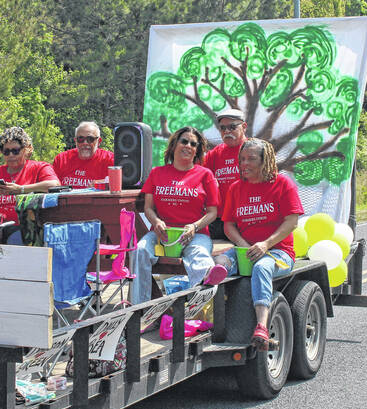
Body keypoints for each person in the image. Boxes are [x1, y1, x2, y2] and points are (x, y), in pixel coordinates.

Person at [215, 138, 304, 350]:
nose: (244, 163)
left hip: (278, 254)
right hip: (246, 250)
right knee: (218, 264)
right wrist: (243, 245)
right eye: (242, 159)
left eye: (251, 159)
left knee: (262, 268)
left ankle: (261, 327)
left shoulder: (283, 184)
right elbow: (228, 226)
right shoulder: (236, 188)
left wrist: (265, 244)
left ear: (266, 161)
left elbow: (291, 222)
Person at [130, 126, 228, 305]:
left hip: (195, 234)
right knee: (140, 250)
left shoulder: (205, 175)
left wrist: (194, 226)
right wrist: (157, 221)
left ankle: (197, 299)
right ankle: (139, 309)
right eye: (184, 141)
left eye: (193, 144)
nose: (188, 146)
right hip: (162, 233)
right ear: (174, 144)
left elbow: (213, 212)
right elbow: (148, 208)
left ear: (197, 150)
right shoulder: (157, 173)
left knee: (199, 255)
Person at [0, 127, 60, 245]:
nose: (11, 155)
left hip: (27, 236)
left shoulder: (39, 168)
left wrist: (20, 189)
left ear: (26, 149)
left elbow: (54, 185)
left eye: (15, 150)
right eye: (6, 152)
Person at [204, 108, 248, 239]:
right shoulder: (215, 153)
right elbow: (198, 177)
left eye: (232, 127)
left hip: (246, 220)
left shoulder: (255, 150)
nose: (227, 132)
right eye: (222, 128)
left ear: (244, 127)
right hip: (218, 220)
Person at [53, 121, 114, 187]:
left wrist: (103, 182)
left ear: (99, 141)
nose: (85, 143)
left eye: (90, 139)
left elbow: (123, 181)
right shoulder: (61, 159)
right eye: (80, 139)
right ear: (75, 141)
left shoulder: (110, 159)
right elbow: (52, 184)